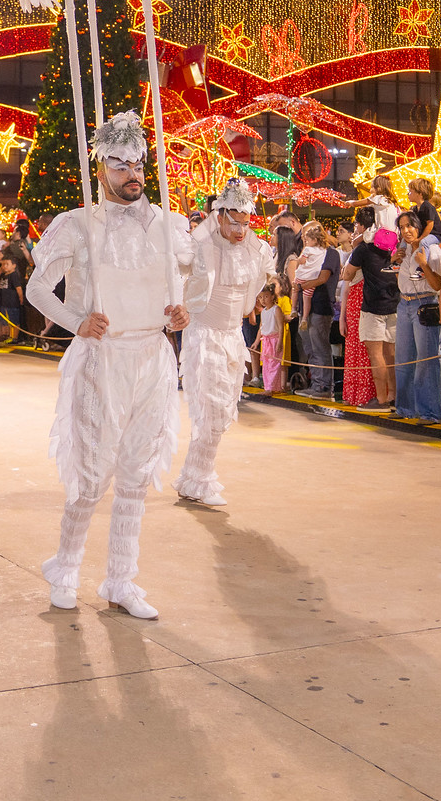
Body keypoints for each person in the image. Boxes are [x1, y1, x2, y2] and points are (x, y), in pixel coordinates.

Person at [28, 112, 196, 619]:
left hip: (152, 357)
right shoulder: (76, 225)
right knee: (92, 471)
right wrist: (75, 321)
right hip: (102, 358)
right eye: (119, 164)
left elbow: (184, 282)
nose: (132, 173)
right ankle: (67, 565)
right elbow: (38, 288)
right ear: (100, 168)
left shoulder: (169, 227)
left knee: (136, 473)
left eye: (138, 162)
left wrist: (182, 307)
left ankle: (121, 578)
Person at [175, 179, 275, 505]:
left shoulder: (256, 249)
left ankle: (195, 477)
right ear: (218, 217)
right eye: (234, 222)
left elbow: (263, 277)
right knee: (214, 412)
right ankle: (200, 478)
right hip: (204, 335)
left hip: (234, 339)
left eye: (246, 222)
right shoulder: (201, 245)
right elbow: (175, 269)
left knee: (222, 413)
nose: (241, 229)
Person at [392, 209, 441, 422]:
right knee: (403, 359)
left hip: (425, 303)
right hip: (404, 303)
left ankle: (430, 412)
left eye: (410, 226)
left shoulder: (431, 249)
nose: (406, 231)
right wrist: (395, 260)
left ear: (419, 227)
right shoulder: (403, 248)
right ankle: (405, 408)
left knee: (426, 360)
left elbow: (439, 285)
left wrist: (423, 264)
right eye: (402, 227)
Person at [340, 206, 396, 409]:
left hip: (373, 305)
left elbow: (347, 275)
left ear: (363, 226)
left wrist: (356, 246)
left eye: (356, 225)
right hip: (394, 302)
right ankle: (393, 396)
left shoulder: (363, 248)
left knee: (376, 354)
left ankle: (380, 399)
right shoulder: (391, 246)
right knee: (391, 354)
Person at [291, 223, 340, 399]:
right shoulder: (309, 252)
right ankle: (316, 383)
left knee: (320, 347)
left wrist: (301, 286)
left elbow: (323, 277)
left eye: (307, 234)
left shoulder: (331, 253)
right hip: (306, 307)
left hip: (321, 305)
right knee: (309, 347)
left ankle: (324, 387)